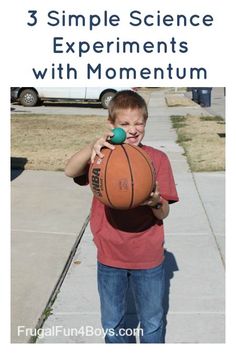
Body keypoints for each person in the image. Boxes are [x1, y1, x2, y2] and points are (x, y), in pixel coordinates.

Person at [65, 90, 179, 343]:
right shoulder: (102, 157)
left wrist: (154, 201)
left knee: (151, 322)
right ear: (112, 126)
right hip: (109, 253)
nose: (133, 130)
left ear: (146, 123)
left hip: (148, 255)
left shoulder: (158, 159)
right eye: (125, 124)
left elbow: (164, 212)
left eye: (139, 123)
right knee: (113, 323)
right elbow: (69, 170)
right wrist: (92, 146)